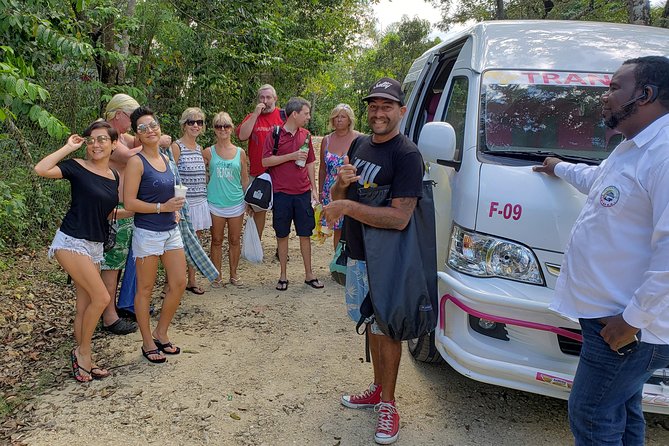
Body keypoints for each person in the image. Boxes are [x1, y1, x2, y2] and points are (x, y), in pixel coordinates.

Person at [533, 56, 669, 446]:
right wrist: (558, 166)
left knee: (592, 414)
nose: (604, 98)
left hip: (629, 329)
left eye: (613, 88)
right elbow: (599, 181)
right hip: (614, 321)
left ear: (645, 95)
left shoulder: (663, 154)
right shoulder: (633, 148)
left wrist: (631, 320)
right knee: (623, 411)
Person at [323, 78, 424, 445]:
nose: (379, 112)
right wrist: (341, 183)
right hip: (359, 252)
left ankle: (389, 404)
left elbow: (400, 218)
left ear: (401, 111)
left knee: (387, 328)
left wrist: (348, 205)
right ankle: (378, 389)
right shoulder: (360, 143)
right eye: (374, 106)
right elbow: (338, 194)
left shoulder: (407, 155)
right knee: (370, 321)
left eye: (387, 106)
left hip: (387, 259)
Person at [34, 121, 121, 382]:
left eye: (103, 139)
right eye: (91, 139)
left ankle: (87, 356)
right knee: (102, 298)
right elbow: (41, 169)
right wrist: (68, 147)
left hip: (94, 245)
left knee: (84, 306)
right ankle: (82, 353)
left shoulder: (114, 176)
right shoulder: (77, 167)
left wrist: (155, 209)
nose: (96, 144)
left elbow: (106, 212)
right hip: (71, 241)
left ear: (114, 144)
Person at [124, 107, 187, 364]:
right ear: (136, 135)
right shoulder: (136, 161)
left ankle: (161, 332)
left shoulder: (167, 157)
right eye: (143, 128)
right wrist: (161, 207)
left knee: (179, 282)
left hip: (170, 230)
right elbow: (129, 202)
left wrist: (175, 209)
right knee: (145, 289)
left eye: (153, 125)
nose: (150, 130)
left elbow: (169, 192)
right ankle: (147, 340)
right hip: (147, 232)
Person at [261, 97, 323, 291]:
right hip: (281, 193)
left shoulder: (306, 135)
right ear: (295, 114)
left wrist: (313, 189)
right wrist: (292, 156)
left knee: (305, 233)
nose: (308, 117)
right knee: (282, 234)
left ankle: (309, 274)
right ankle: (283, 276)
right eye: (306, 113)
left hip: (303, 192)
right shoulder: (275, 134)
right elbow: (265, 162)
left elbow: (311, 161)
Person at [99, 94, 141, 334]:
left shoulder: (125, 136)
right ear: (118, 115)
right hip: (112, 210)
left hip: (125, 209)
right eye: (132, 116)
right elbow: (129, 155)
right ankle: (109, 316)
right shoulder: (104, 132)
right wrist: (152, 140)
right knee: (111, 263)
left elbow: (138, 142)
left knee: (120, 261)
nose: (135, 121)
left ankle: (118, 305)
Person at [203, 112, 249, 287]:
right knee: (216, 240)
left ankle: (234, 274)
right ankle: (217, 275)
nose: (223, 129)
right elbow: (202, 176)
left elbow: (244, 179)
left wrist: (248, 200)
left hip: (236, 202)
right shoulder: (208, 152)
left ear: (231, 128)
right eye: (218, 126)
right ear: (214, 129)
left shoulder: (240, 152)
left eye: (226, 126)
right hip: (215, 202)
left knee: (235, 240)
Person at [236, 84, 285, 239]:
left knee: (281, 212)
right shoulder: (252, 117)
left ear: (275, 98)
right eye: (262, 98)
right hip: (258, 173)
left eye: (269, 97)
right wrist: (255, 115)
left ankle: (281, 247)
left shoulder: (284, 116)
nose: (265, 101)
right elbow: (242, 136)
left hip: (280, 172)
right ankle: (256, 244)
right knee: (258, 209)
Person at [171, 107, 211, 295]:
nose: (195, 125)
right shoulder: (176, 147)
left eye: (199, 122)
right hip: (183, 204)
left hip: (199, 201)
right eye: (191, 122)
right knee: (178, 244)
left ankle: (192, 280)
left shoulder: (199, 149)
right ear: (184, 125)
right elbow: (171, 177)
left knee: (196, 241)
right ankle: (171, 284)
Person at [318, 103, 361, 249]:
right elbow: (322, 169)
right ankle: (338, 260)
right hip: (331, 189)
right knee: (337, 228)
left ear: (349, 120)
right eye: (336, 117)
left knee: (351, 225)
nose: (339, 120)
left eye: (342, 116)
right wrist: (320, 192)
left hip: (351, 187)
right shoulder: (327, 140)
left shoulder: (359, 138)